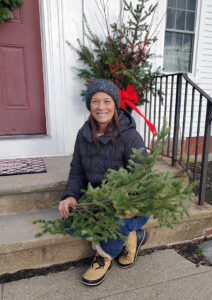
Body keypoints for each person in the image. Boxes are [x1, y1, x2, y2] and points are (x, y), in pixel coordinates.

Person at [58, 79, 149, 286]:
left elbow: (141, 177)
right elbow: (77, 171)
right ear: (89, 105)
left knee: (116, 221)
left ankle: (104, 255)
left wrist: (126, 198)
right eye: (95, 101)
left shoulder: (131, 137)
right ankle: (131, 235)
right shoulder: (83, 135)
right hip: (98, 201)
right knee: (69, 221)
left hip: (127, 204)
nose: (101, 107)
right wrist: (70, 195)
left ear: (115, 104)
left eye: (107, 101)